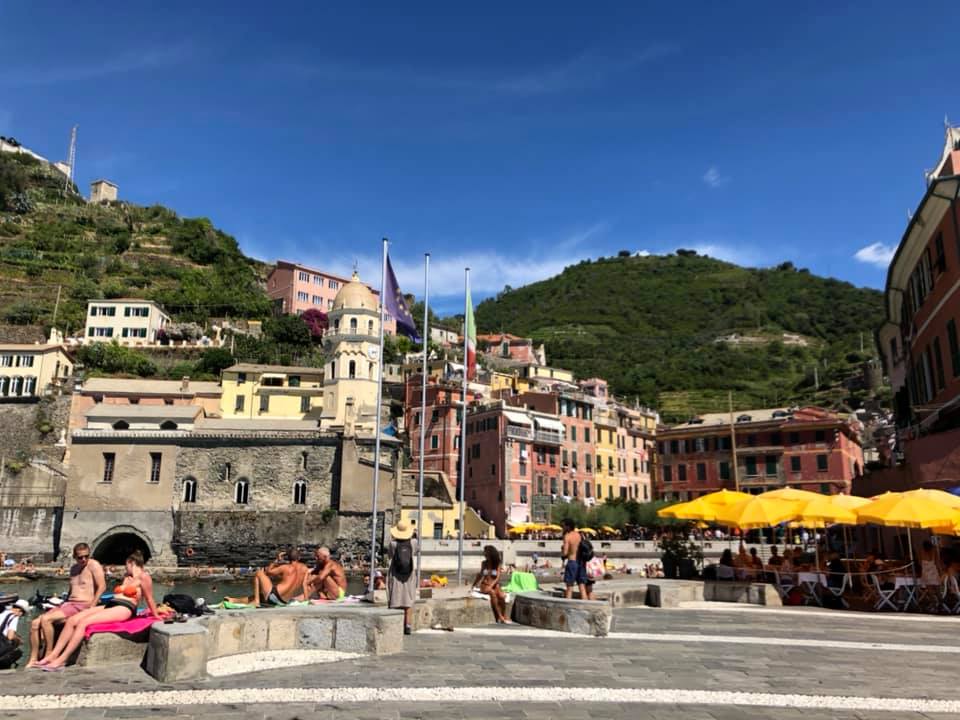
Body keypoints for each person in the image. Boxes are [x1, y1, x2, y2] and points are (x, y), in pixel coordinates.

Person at [36, 551, 159, 671]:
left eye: (126, 565)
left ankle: (62, 659)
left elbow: (149, 598)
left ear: (131, 562)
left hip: (125, 608)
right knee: (73, 620)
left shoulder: (144, 577)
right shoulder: (127, 577)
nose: (125, 568)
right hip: (112, 604)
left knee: (84, 623)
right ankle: (53, 655)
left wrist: (156, 616)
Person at [26, 542, 105, 668]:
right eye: (80, 557)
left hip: (83, 605)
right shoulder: (73, 569)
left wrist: (92, 607)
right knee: (35, 623)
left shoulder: (93, 565)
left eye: (86, 556)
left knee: (46, 619)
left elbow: (102, 586)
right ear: (74, 556)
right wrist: (63, 603)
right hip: (69, 604)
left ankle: (49, 653)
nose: (84, 559)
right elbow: (71, 590)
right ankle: (33, 658)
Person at [227, 548, 309, 606]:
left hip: (275, 595)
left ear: (288, 558)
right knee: (261, 596)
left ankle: (256, 601)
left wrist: (277, 560)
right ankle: (233, 600)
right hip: (284, 601)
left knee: (259, 573)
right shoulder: (305, 569)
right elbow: (304, 584)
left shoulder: (286, 567)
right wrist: (306, 600)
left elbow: (268, 572)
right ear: (299, 557)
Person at [387, 521, 418, 636]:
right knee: (408, 600)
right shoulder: (414, 542)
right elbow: (417, 551)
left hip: (396, 573)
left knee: (395, 597)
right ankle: (408, 625)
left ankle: (395, 625)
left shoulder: (393, 544)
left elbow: (390, 555)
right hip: (409, 575)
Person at [471, 545, 508, 624]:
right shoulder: (484, 563)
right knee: (492, 593)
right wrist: (473, 585)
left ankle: (504, 615)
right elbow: (480, 575)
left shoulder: (497, 564)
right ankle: (499, 616)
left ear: (491, 554)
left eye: (486, 554)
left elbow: (497, 577)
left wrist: (492, 585)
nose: (485, 555)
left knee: (501, 596)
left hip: (494, 584)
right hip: (485, 584)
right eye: (485, 554)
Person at [561, 518, 593, 600]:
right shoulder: (579, 535)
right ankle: (584, 607)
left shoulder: (567, 537)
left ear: (568, 526)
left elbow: (565, 553)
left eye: (563, 526)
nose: (562, 528)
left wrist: (562, 549)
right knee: (582, 588)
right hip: (581, 563)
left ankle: (568, 609)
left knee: (569, 588)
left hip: (572, 562)